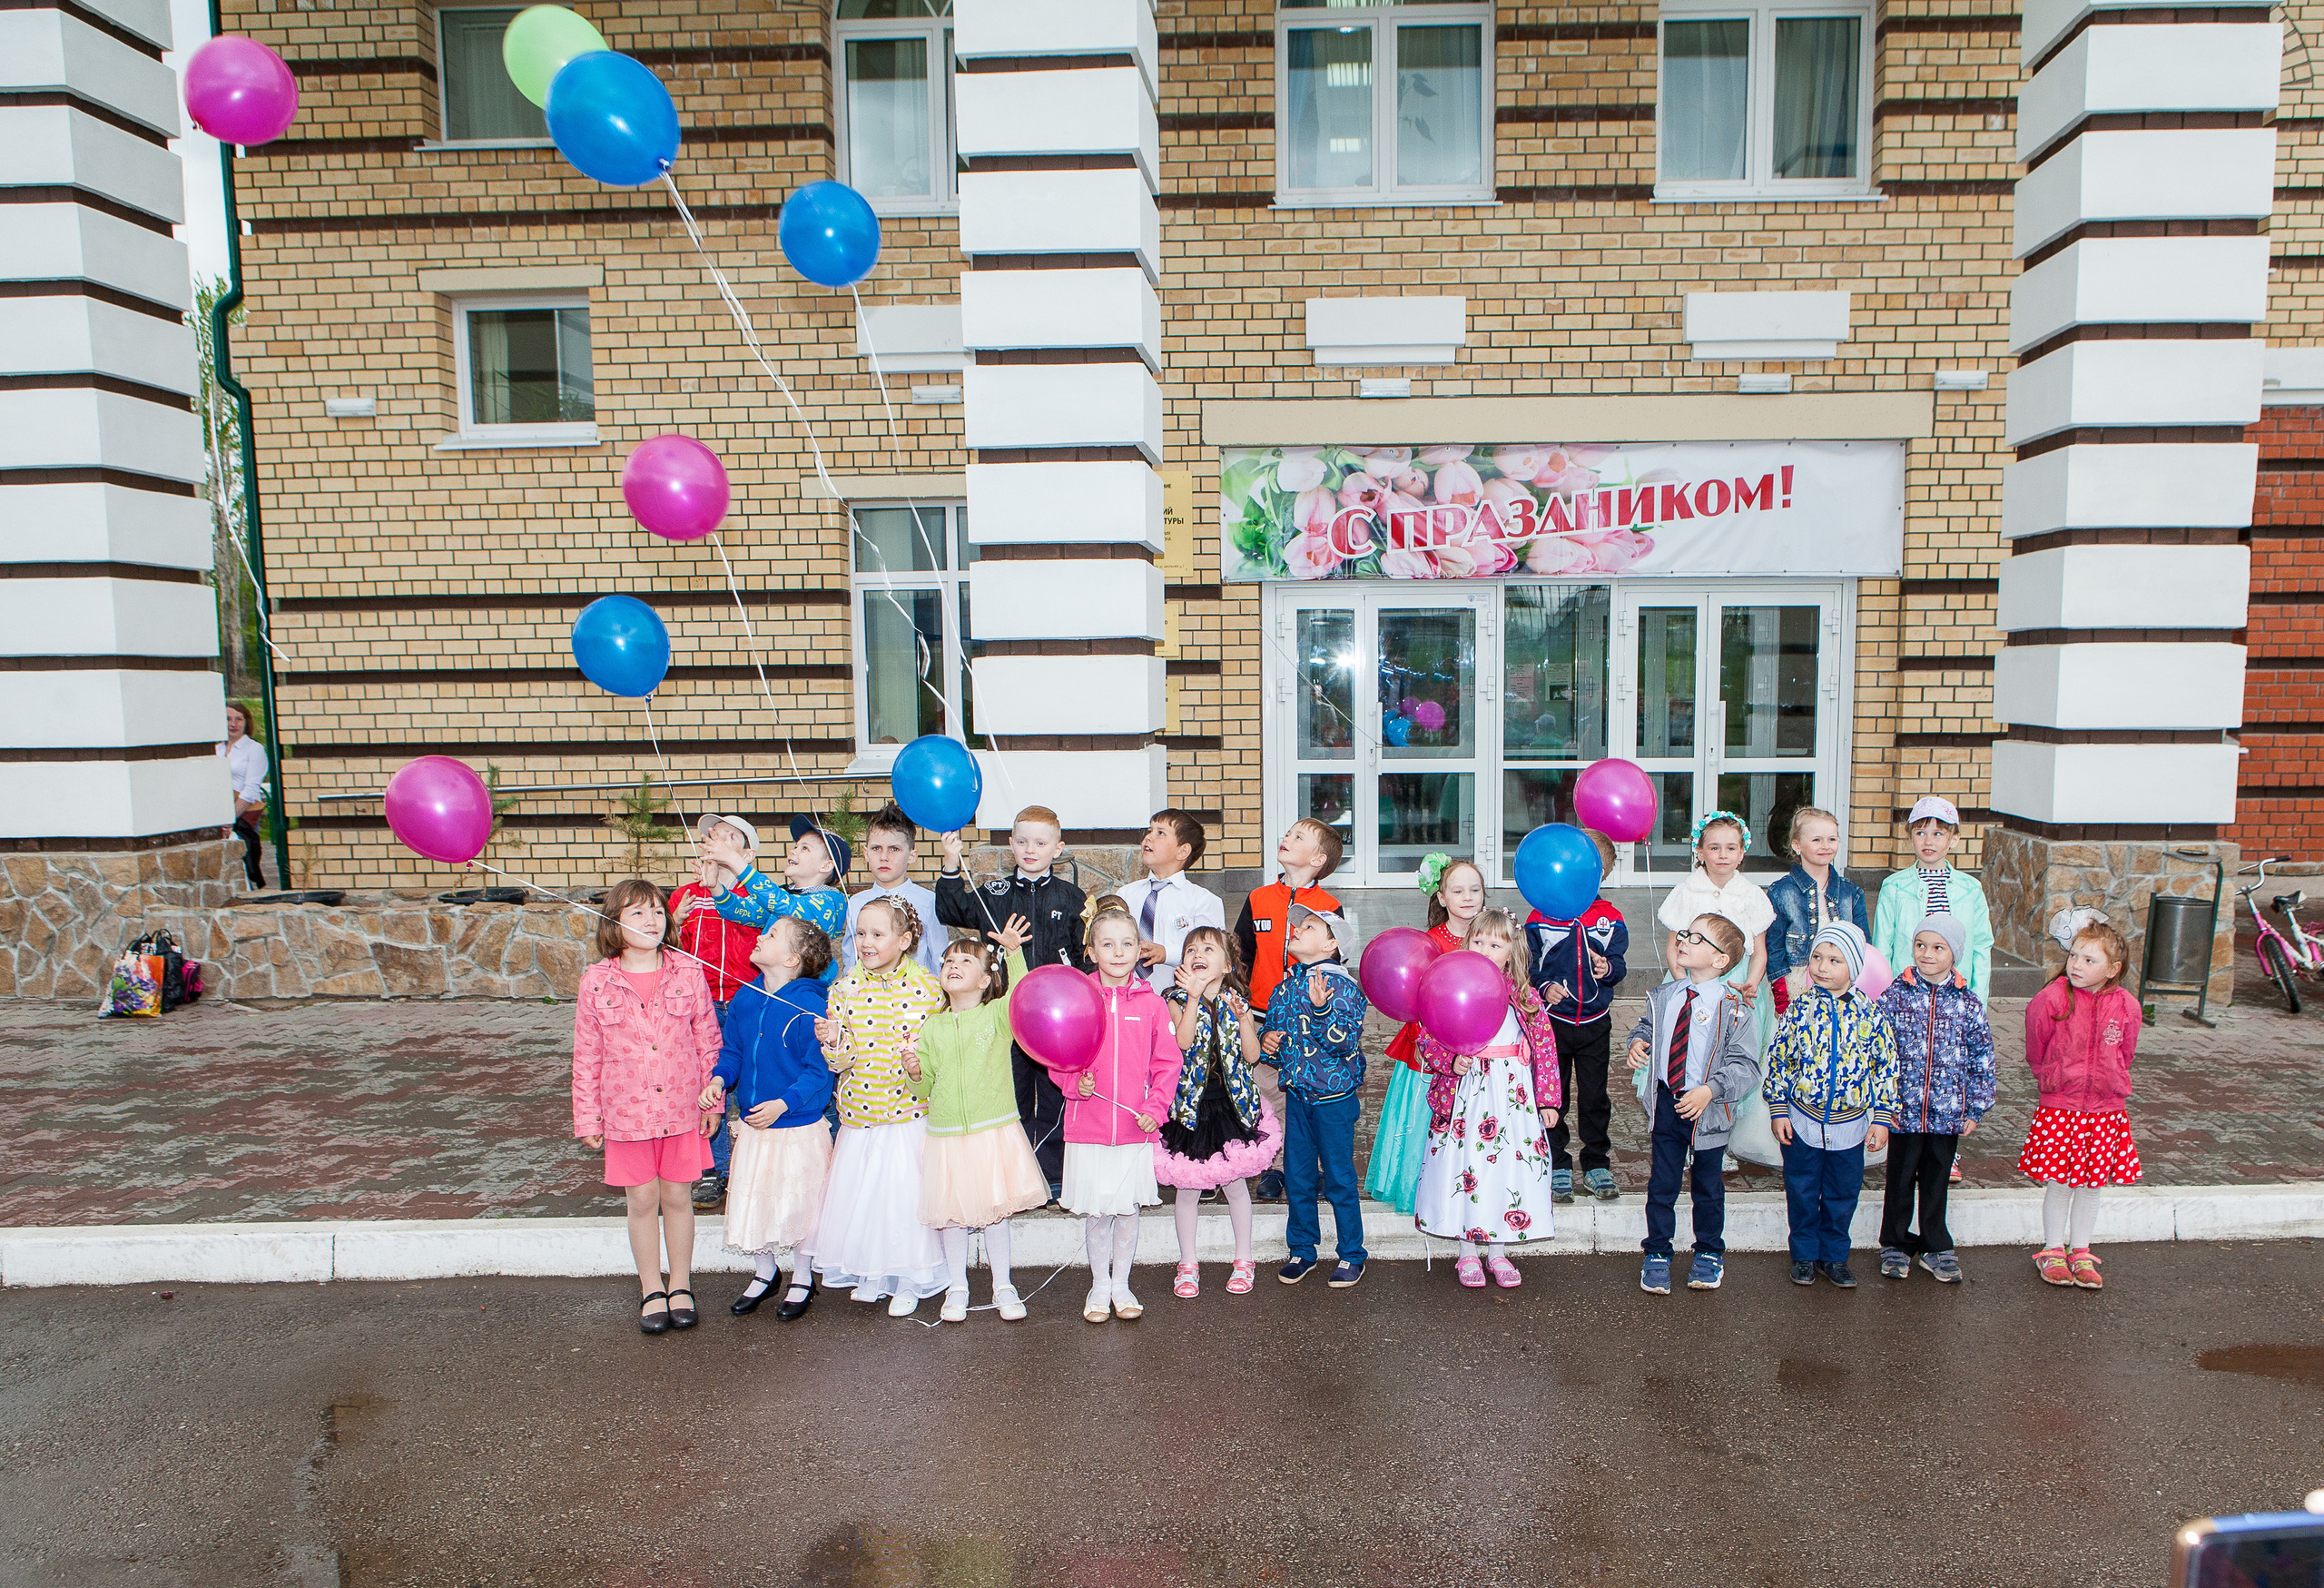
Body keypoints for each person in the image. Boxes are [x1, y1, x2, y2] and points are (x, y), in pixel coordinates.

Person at [571, 878, 724, 1335]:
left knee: (678, 1196)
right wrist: (587, 1114)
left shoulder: (688, 972)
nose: (650, 920)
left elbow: (707, 1039)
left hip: (682, 1107)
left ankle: (680, 1285)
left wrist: (712, 1099)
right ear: (614, 923)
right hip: (625, 1113)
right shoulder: (597, 981)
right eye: (637, 912)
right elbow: (587, 1052)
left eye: (657, 911)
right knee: (641, 1199)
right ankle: (650, 1288)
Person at [802, 896, 947, 1317]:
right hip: (861, 1113)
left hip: (907, 1114)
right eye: (859, 933)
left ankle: (909, 1276)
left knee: (903, 1201)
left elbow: (936, 1051)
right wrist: (832, 1040)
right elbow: (840, 1061)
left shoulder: (928, 988)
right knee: (865, 1200)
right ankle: (873, 1272)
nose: (865, 942)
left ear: (904, 940)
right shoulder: (844, 988)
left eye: (877, 934)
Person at [935, 807, 1089, 1197]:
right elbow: (951, 909)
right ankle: (1017, 1180)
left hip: (1057, 1019)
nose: (1030, 849)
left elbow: (1083, 957)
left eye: (1040, 842)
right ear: (1010, 844)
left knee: (1054, 1095)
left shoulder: (1072, 898)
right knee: (1011, 1093)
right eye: (1021, 841)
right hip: (1005, 1014)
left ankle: (1052, 1174)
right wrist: (951, 864)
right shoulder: (995, 894)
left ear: (1058, 847)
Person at [1046, 898, 1183, 1325]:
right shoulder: (1077, 998)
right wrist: (1075, 1083)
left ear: (1139, 948)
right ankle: (1098, 1286)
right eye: (1108, 944)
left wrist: (1155, 1108)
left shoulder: (1152, 1003)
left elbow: (1167, 1062)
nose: (1118, 952)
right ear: (1092, 951)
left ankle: (1121, 1285)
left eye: (1127, 943)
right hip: (1087, 1127)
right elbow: (1057, 1055)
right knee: (1098, 1210)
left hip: (1133, 1128)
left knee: (1127, 1210)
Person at [905, 915, 1047, 1324]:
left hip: (993, 1130)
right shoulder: (930, 1027)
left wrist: (1014, 952)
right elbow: (923, 1088)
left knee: (995, 1211)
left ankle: (1003, 1284)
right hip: (947, 1135)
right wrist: (915, 1071)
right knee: (952, 1213)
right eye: (949, 959)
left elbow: (1022, 994)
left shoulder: (997, 1016)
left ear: (986, 980)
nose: (953, 964)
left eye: (966, 960)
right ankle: (957, 1286)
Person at [1412, 907, 1562, 1287]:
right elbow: (1428, 1037)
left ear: (1512, 951)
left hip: (1512, 1099)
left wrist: (1548, 1100)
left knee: (1504, 1169)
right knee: (1468, 1168)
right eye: (1477, 940)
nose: (1484, 948)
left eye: (1495, 943)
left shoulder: (1525, 998)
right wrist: (1451, 1061)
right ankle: (1467, 1252)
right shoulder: (1451, 988)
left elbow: (1544, 1049)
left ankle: (1498, 1251)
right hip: (1469, 1097)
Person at [699, 915, 835, 1320]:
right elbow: (734, 1052)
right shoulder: (745, 998)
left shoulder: (810, 1004)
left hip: (796, 1126)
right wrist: (720, 1080)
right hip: (756, 1124)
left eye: (771, 935)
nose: (760, 937)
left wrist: (784, 1103)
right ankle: (765, 1271)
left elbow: (819, 1070)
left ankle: (803, 1277)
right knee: (754, 1198)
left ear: (792, 959)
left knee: (800, 1203)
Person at [1623, 914, 1758, 1295]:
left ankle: (1710, 1251)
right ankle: (1657, 1252)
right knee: (1662, 1183)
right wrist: (1638, 1042)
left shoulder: (1734, 1008)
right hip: (1669, 1103)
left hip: (1708, 1109)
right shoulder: (1665, 995)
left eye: (1697, 939)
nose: (1684, 940)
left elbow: (1745, 1066)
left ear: (1719, 961)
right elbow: (1646, 1026)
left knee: (1708, 1186)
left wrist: (1710, 1090)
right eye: (1686, 934)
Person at [1764, 922, 1898, 1289]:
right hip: (1803, 1120)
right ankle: (1805, 1255)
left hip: (1850, 1125)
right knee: (1802, 1189)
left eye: (1834, 960)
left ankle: (1835, 1256)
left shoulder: (1870, 1014)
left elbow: (1885, 1068)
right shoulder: (1799, 1010)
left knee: (1842, 1194)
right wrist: (1778, 1108)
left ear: (1853, 968)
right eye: (1817, 957)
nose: (1822, 966)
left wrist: (1881, 1118)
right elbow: (1779, 1060)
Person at [1156, 926, 1281, 1299]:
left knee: (1236, 1186)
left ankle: (1244, 1258)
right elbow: (1182, 1042)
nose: (1198, 953)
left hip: (1232, 1108)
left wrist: (1245, 1020)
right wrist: (1193, 998)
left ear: (1226, 964)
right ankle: (1188, 1263)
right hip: (1192, 1109)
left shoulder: (1236, 999)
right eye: (1191, 948)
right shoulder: (1175, 999)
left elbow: (1254, 1055)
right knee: (1188, 1191)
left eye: (1208, 949)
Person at [1873, 912, 1994, 1284]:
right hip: (1904, 1112)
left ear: (1954, 954)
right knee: (1900, 1177)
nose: (1927, 954)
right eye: (1920, 945)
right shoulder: (1895, 996)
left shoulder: (1968, 1003)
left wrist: (1975, 1106)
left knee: (1937, 1178)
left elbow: (1982, 1057)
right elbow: (1878, 1051)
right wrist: (1884, 1103)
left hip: (1947, 1113)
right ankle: (1894, 1243)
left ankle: (1935, 1245)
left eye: (1938, 947)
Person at [2019, 921, 2141, 1291]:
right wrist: (2052, 1078)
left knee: (2091, 1184)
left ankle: (2082, 1251)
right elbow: (2035, 1047)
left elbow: (2127, 1052)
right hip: (2061, 1108)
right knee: (2059, 1182)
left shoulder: (2127, 1006)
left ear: (2112, 969)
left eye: (2089, 960)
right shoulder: (2052, 998)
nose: (2076, 965)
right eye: (2073, 956)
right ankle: (2053, 1249)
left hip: (2106, 1111)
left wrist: (2110, 1080)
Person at [1658, 811, 1778, 1166]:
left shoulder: (1752, 894)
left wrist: (1752, 983)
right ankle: (1683, 1137)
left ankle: (1718, 1141)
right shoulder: (1686, 892)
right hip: (1692, 983)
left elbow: (1760, 949)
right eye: (1714, 847)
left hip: (1736, 986)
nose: (1723, 855)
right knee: (1689, 1058)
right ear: (1700, 851)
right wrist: (1682, 985)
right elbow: (1673, 945)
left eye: (1731, 848)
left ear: (1742, 853)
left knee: (1727, 1061)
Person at [1260, 902, 1370, 1289]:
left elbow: (1343, 1044)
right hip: (1299, 1098)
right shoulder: (1287, 985)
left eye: (1308, 926)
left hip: (1334, 1102)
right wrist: (1267, 1039)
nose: (1296, 930)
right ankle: (1302, 1249)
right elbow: (1274, 1031)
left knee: (1340, 1178)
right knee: (1299, 1176)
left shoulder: (1343, 987)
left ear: (1330, 944)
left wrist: (1322, 1010)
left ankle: (1352, 1254)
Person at [1369, 853, 1485, 1216]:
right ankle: (1428, 1192)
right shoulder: (1428, 944)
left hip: (1484, 1052)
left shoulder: (1494, 938)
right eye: (1458, 890)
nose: (1468, 897)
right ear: (1441, 897)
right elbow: (1416, 999)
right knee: (1425, 1124)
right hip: (1433, 1053)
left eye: (1476, 889)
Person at [1235, 816, 1344, 1201]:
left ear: (1317, 860)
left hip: (1307, 1014)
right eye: (1287, 833)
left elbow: (1335, 964)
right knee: (1268, 1090)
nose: (1285, 838)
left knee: (1306, 1089)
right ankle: (1277, 1163)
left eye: (1297, 837)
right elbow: (1241, 956)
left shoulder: (1329, 906)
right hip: (1263, 1013)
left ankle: (1309, 1165)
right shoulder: (1258, 898)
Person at [1522, 829, 1629, 1203]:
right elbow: (1527, 967)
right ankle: (1558, 1163)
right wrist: (1545, 985)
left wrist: (1607, 970)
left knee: (1595, 1096)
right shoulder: (1538, 919)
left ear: (1604, 873)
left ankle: (1597, 1161)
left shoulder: (1610, 918)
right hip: (1553, 1025)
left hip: (1596, 1024)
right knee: (1554, 1096)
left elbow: (1618, 965)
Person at [671, 815, 767, 1211]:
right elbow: (668, 951)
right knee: (710, 1088)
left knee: (748, 1084)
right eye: (712, 837)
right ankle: (714, 1168)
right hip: (702, 1006)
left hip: (747, 1002)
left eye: (730, 838)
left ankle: (752, 1166)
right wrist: (674, 922)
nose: (717, 843)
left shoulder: (758, 894)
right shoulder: (686, 895)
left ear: (747, 854)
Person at [699, 814, 849, 984]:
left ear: (826, 866)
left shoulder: (830, 900)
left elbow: (788, 907)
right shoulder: (788, 895)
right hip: (775, 984)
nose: (793, 851)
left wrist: (734, 860)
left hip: (803, 992)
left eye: (805, 848)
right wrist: (716, 888)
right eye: (796, 846)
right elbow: (745, 913)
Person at [1873, 795, 1994, 1003]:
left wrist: (1978, 999)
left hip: (1955, 991)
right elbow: (1883, 946)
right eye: (1920, 833)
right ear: (1910, 838)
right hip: (1908, 990)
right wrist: (1885, 997)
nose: (1928, 841)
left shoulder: (1971, 889)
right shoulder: (1894, 886)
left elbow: (1982, 946)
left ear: (1953, 839)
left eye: (1938, 834)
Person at [1766, 806, 1868, 1019]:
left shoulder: (1852, 892)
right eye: (1816, 840)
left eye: (1832, 839)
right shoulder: (1780, 891)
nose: (1826, 846)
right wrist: (1781, 994)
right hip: (1796, 985)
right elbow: (1774, 946)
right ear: (1797, 845)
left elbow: (1864, 944)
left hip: (1841, 985)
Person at [1118, 808, 1226, 995]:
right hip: (1128, 995)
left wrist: (1166, 954)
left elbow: (1213, 954)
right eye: (1149, 831)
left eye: (1160, 833)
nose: (1148, 838)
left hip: (1179, 998)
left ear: (1183, 851)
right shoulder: (1126, 894)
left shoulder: (1202, 900)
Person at [845, 802, 945, 978]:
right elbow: (851, 960)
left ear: (912, 855)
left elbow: (939, 958)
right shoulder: (856, 902)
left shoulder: (929, 901)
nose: (884, 857)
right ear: (866, 853)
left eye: (894, 849)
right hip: (867, 998)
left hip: (916, 998)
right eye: (876, 848)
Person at [219, 701, 269, 888]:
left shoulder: (254, 749)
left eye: (239, 719)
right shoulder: (216, 749)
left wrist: (229, 819)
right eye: (228, 719)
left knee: (243, 861)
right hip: (218, 812)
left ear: (246, 722)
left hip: (241, 814)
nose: (233, 723)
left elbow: (250, 789)